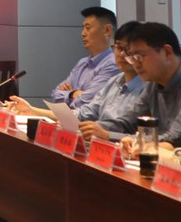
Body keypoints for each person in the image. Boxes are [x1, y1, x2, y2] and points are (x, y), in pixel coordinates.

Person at [8, 21, 144, 141]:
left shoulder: (147, 87)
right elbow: (83, 112)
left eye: (127, 49)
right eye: (118, 48)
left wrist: (105, 133)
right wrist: (33, 110)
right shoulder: (113, 82)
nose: (121, 54)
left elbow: (133, 131)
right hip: (98, 143)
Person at [106, 22, 181, 153]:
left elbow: (176, 137)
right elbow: (129, 121)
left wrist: (139, 141)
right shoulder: (153, 83)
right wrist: (94, 129)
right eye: (132, 58)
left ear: (167, 52)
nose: (135, 64)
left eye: (139, 56)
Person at [50, 6, 120, 109]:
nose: (83, 34)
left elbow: (86, 104)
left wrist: (69, 96)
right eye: (83, 28)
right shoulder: (82, 63)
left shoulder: (113, 64)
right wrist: (72, 94)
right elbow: (55, 95)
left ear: (107, 30)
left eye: (88, 28)